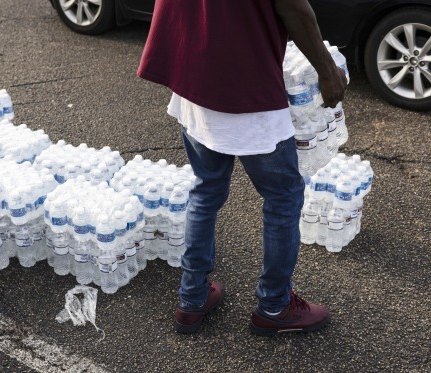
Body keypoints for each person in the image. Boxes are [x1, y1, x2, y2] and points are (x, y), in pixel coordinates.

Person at [137, 0, 348, 335]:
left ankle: (191, 300)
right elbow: (294, 8)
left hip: (194, 71)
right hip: (246, 84)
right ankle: (274, 306)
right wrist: (327, 71)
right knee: (284, 198)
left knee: (205, 189)